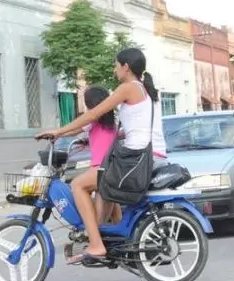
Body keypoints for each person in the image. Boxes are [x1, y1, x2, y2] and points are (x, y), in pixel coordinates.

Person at [35, 47, 163, 264]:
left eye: (116, 65)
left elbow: (94, 113)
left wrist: (59, 131)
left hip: (131, 159)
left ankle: (95, 245)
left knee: (78, 185)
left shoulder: (128, 88)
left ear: (126, 67)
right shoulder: (141, 89)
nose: (114, 70)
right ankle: (102, 238)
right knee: (103, 194)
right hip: (137, 156)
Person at [56, 86, 121, 224]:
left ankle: (92, 235)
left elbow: (74, 130)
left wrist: (56, 134)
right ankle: (118, 233)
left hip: (100, 169)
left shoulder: (93, 120)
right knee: (110, 202)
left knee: (77, 186)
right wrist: (87, 140)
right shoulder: (112, 123)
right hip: (113, 168)